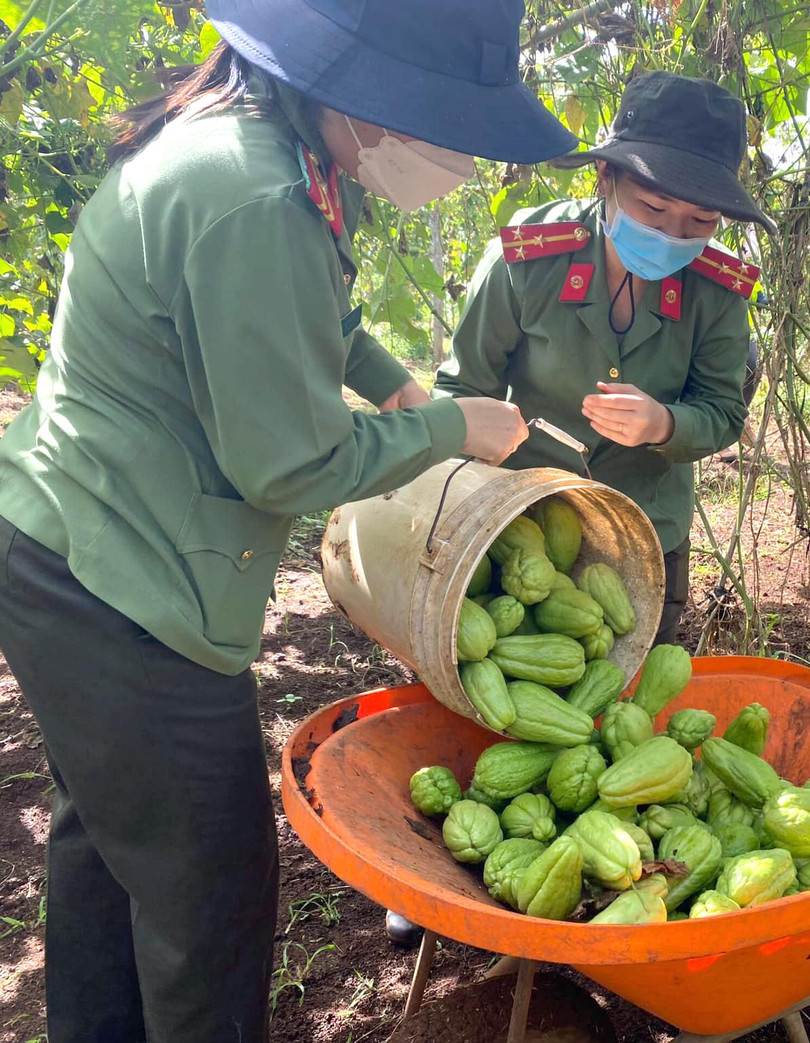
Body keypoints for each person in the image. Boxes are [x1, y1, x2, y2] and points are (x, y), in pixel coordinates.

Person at [0, 0, 576, 1038]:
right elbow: (290, 464)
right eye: (445, 120)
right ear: (370, 95)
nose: (453, 153)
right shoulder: (257, 195)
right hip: (122, 580)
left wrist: (395, 386)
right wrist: (450, 424)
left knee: (109, 838)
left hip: (63, 539)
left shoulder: (266, 145)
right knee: (206, 888)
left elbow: (321, 312)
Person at [435, 71, 774, 646]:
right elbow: (464, 387)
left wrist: (664, 423)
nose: (674, 234)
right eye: (653, 209)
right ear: (605, 178)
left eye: (701, 222)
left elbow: (722, 411)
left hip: (643, 531)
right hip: (523, 521)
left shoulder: (718, 290)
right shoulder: (529, 258)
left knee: (630, 696)